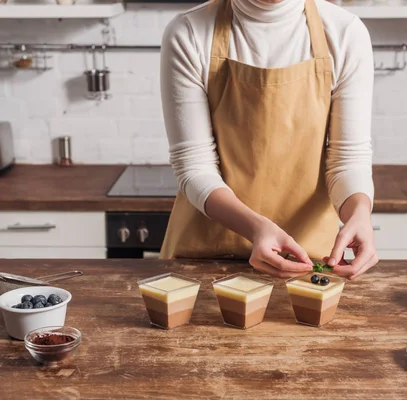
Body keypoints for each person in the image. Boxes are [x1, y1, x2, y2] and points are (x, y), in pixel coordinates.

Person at [159, 0, 377, 280]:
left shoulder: (345, 33)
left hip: (307, 260)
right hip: (206, 259)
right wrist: (255, 228)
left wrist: (359, 214)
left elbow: (347, 160)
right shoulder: (189, 32)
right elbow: (194, 165)